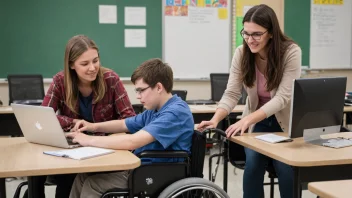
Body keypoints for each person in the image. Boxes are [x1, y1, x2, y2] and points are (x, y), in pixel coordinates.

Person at [198, 4, 301, 198]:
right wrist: (215, 119)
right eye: (245, 33)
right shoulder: (242, 53)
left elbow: (282, 98)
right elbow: (231, 93)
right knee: (253, 165)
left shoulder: (290, 52)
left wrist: (247, 120)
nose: (249, 40)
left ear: (271, 33)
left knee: (286, 168)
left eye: (256, 34)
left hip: (284, 122)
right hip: (257, 122)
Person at [23, 35, 136, 198]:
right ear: (71, 65)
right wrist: (73, 122)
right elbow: (43, 116)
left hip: (105, 149)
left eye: (95, 61)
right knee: (62, 184)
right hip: (73, 149)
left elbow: (130, 119)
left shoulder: (110, 79)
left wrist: (97, 129)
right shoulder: (60, 81)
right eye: (85, 63)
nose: (92, 68)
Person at [66, 58, 194, 198]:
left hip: (155, 173)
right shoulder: (155, 110)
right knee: (82, 177)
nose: (138, 96)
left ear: (158, 87)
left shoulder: (175, 113)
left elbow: (132, 141)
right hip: (141, 168)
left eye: (141, 90)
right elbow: (123, 124)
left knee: (93, 184)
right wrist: (92, 126)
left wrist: (88, 140)